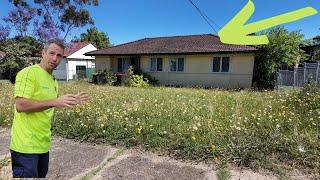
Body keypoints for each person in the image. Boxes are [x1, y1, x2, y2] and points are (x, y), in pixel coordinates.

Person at [10, 38, 88, 178]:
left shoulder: (53, 81)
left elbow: (48, 104)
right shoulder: (29, 73)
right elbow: (20, 105)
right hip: (25, 147)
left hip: (43, 145)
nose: (55, 58)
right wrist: (55, 102)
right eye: (51, 53)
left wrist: (69, 100)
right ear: (43, 53)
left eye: (59, 56)